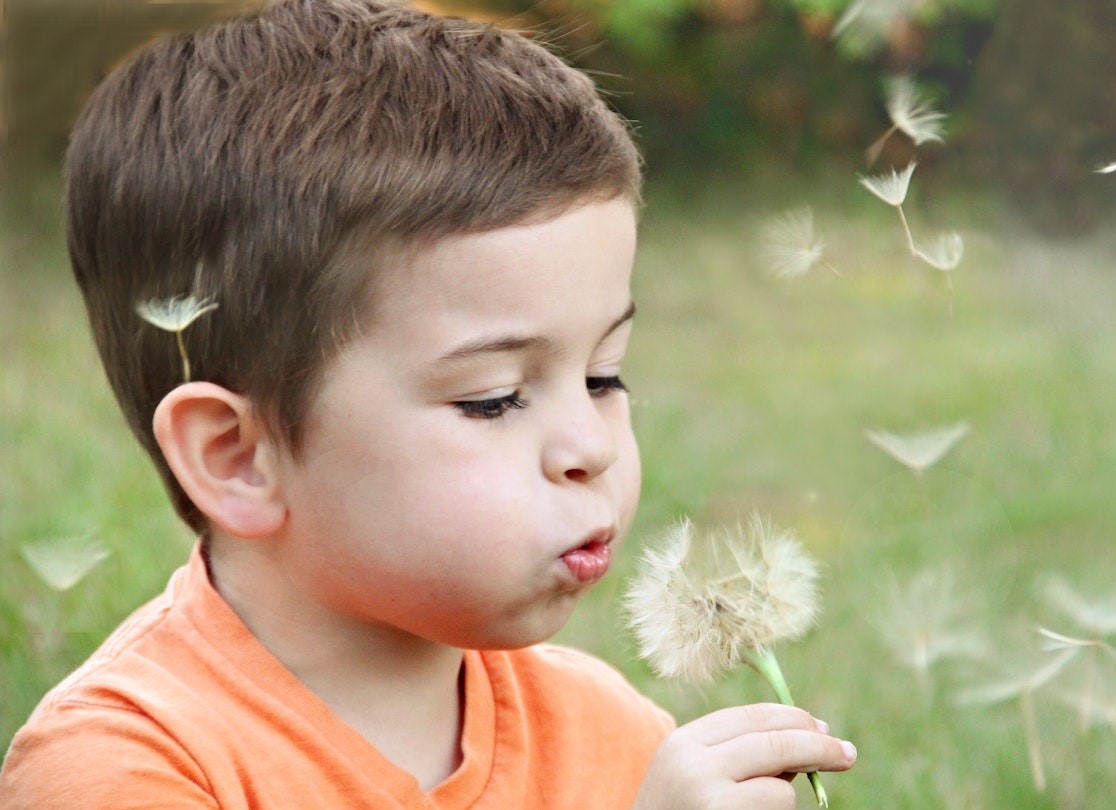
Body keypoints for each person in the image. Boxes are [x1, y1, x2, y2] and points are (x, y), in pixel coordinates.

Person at [0, 1, 856, 807]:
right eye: (493, 399)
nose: (589, 446)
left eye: (602, 376)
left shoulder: (611, 733)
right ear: (237, 456)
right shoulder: (125, 767)